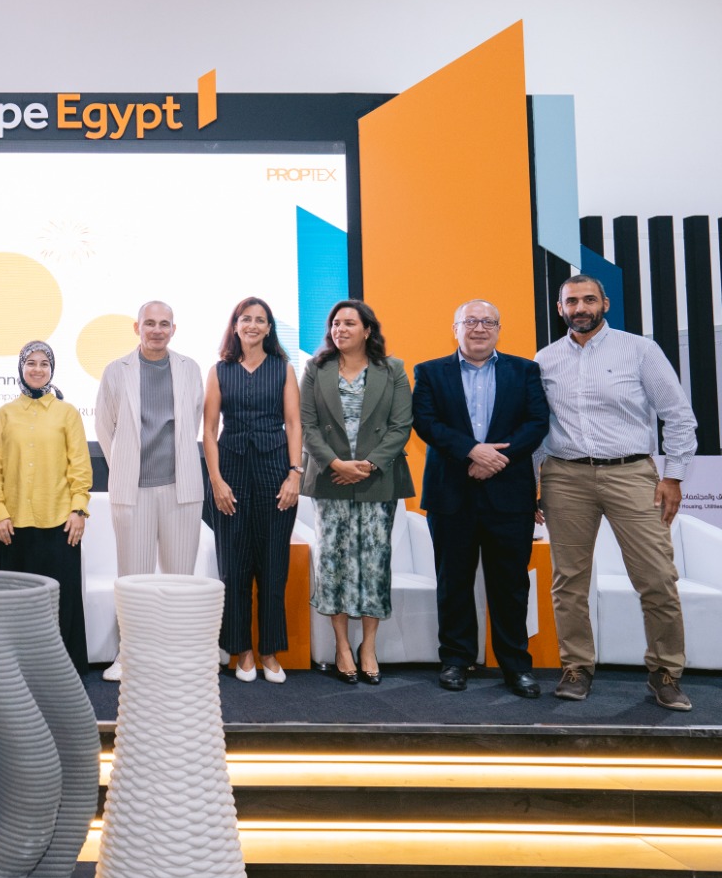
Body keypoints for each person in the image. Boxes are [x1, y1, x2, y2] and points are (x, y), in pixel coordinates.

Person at [536, 275, 697, 711]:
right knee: (569, 582)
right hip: (565, 478)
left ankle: (665, 672)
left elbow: (678, 415)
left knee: (657, 578)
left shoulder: (639, 350)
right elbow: (537, 427)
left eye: (589, 299)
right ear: (560, 308)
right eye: (572, 301)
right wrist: (534, 484)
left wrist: (673, 477)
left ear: (604, 303)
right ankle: (576, 667)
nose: (581, 307)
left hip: (631, 474)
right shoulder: (545, 359)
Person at [412, 300, 549, 698]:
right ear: (455, 328)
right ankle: (456, 660)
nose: (479, 328)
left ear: (499, 329)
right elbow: (426, 422)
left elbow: (537, 423)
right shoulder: (430, 372)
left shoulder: (525, 370)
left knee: (511, 585)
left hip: (509, 496)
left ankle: (515, 666)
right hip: (450, 494)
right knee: (453, 582)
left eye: (488, 321)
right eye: (470, 321)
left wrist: (495, 459)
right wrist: (472, 451)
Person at [298, 299, 414, 685]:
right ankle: (342, 645)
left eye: (349, 323)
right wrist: (336, 464)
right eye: (335, 323)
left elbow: (401, 425)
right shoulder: (315, 370)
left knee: (373, 564)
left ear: (367, 330)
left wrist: (367, 465)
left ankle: (369, 646)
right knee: (332, 563)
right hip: (330, 479)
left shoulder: (393, 370)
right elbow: (306, 425)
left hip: (377, 479)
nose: (340, 329)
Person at [95, 300, 206, 682]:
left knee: (180, 580)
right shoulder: (116, 370)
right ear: (137, 327)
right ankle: (129, 656)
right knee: (133, 579)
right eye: (150, 323)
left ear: (173, 329)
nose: (157, 330)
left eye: (164, 324)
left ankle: (175, 656)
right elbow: (104, 427)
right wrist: (126, 466)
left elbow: (192, 422)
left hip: (180, 488)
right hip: (133, 491)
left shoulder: (190, 368)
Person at [202, 297, 301, 685]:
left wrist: (295, 475)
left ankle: (270, 652)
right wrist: (216, 480)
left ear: (269, 328)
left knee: (274, 566)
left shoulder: (283, 368)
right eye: (246, 319)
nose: (253, 325)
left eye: (261, 320)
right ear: (235, 325)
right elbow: (209, 430)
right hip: (230, 474)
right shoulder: (219, 370)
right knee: (234, 568)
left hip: (276, 473)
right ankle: (241, 650)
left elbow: (294, 424)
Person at [0, 340, 92, 673]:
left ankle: (64, 674)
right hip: (13, 527)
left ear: (52, 369)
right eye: (30, 363)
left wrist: (79, 510)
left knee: (61, 604)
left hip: (60, 524)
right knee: (14, 606)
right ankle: (14, 673)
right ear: (21, 368)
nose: (37, 369)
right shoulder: (4, 414)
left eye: (44, 363)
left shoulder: (67, 413)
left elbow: (80, 468)